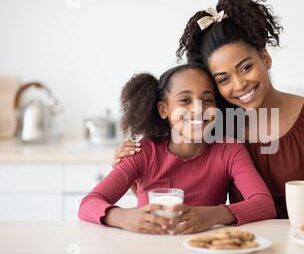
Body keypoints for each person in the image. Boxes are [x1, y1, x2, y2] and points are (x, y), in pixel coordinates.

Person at [114, 0, 304, 220]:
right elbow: (173, 176)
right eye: (223, 79)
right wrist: (130, 168)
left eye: (246, 67)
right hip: (244, 249)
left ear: (265, 58)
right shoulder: (216, 125)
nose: (240, 84)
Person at [78, 64, 276, 234]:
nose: (198, 109)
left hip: (205, 251)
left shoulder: (228, 150)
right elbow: (88, 204)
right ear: (163, 109)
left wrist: (213, 215)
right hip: (150, 253)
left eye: (207, 100)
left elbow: (264, 204)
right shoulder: (144, 152)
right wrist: (123, 217)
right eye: (185, 100)